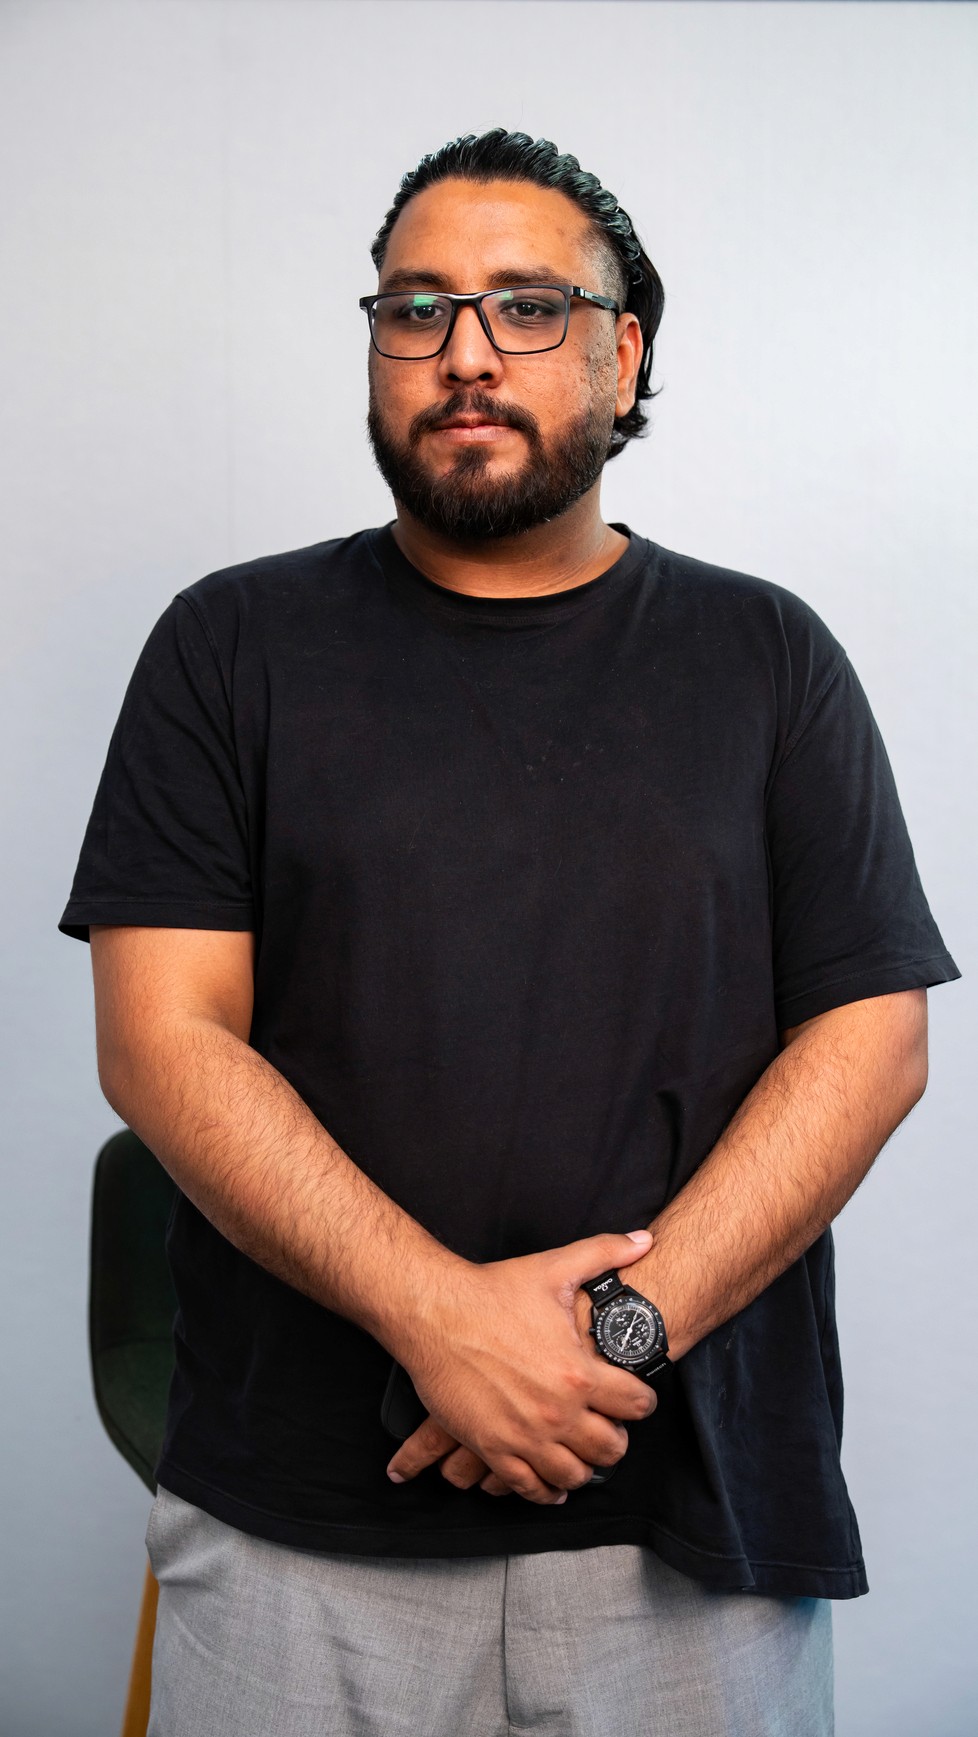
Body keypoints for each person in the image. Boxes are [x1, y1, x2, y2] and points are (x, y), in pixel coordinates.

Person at [61, 129, 958, 1737]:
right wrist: (438, 1320)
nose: (463, 352)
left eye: (527, 306)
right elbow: (161, 1036)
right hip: (292, 1531)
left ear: (625, 355)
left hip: (685, 1523)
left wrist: (608, 1340)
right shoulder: (228, 645)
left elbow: (871, 1039)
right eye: (416, 307)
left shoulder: (767, 657)